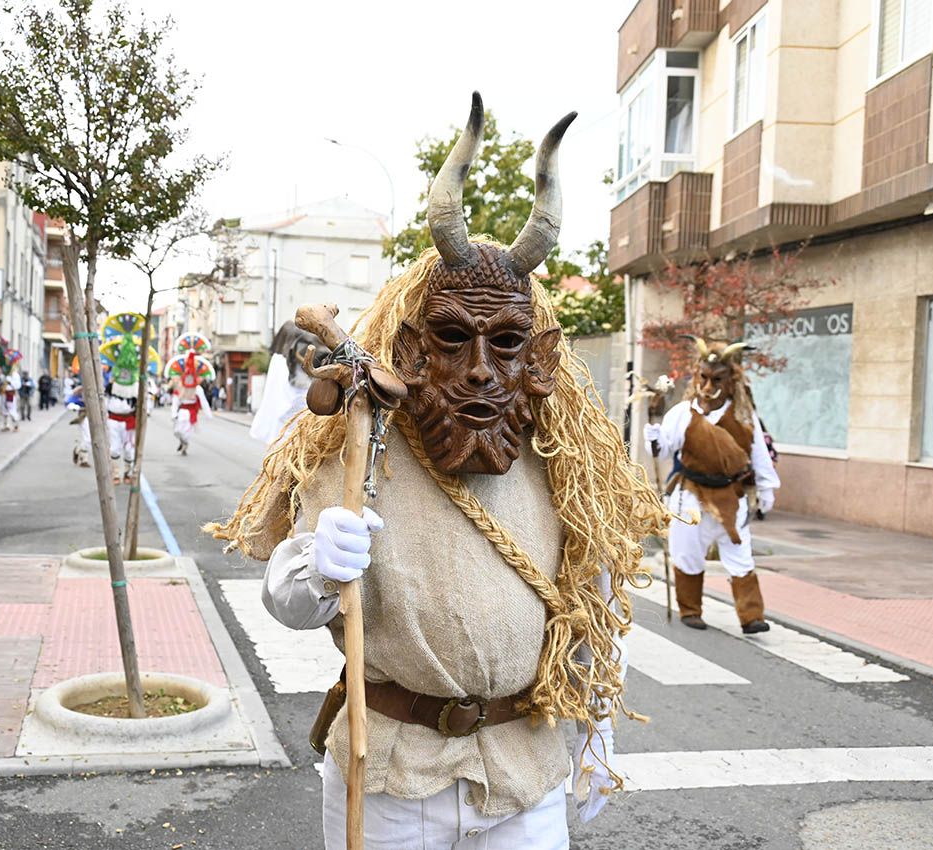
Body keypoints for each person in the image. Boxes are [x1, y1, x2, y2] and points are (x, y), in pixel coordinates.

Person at [209, 94, 666, 849]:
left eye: (508, 345)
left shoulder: (564, 468)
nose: (483, 372)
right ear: (415, 352)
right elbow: (289, 602)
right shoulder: (359, 447)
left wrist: (594, 740)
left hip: (522, 772)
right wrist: (318, 569)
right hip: (390, 771)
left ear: (541, 362)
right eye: (456, 339)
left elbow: (590, 614)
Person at [644, 337, 781, 634]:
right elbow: (664, 450)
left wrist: (767, 488)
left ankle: (752, 617)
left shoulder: (744, 415)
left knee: (740, 555)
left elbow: (758, 453)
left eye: (717, 379)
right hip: (690, 496)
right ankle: (690, 609)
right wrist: (655, 436)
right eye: (703, 378)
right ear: (697, 377)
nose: (709, 386)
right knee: (687, 553)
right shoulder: (682, 413)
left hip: (731, 497)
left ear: (730, 381)